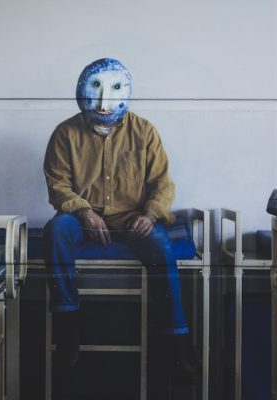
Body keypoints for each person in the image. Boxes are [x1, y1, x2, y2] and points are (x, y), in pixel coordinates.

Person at [42, 58, 199, 387]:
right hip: (82, 217)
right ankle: (67, 324)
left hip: (132, 218)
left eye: (114, 90)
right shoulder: (65, 133)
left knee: (160, 243)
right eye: (95, 90)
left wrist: (150, 214)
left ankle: (177, 340)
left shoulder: (145, 131)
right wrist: (84, 211)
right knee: (55, 230)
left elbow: (162, 184)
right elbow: (58, 185)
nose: (103, 102)